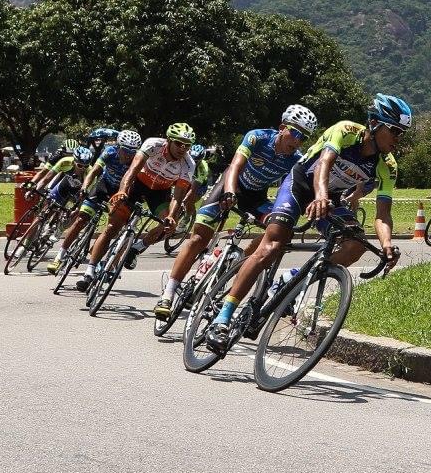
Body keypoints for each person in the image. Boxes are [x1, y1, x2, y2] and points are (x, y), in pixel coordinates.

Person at [202, 94, 410, 352]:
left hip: (330, 197)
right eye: (396, 131)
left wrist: (387, 244)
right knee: (271, 246)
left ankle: (291, 280)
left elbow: (383, 214)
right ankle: (224, 316)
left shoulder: (388, 165)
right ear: (375, 124)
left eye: (403, 133)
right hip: (300, 184)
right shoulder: (345, 131)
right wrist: (320, 195)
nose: (399, 138)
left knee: (355, 245)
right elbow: (324, 164)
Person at [153, 105, 318, 318]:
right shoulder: (257, 138)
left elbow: (294, 187)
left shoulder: (295, 158)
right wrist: (230, 192)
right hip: (229, 185)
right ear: (282, 128)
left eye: (303, 138)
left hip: (255, 198)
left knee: (275, 231)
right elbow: (235, 166)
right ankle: (168, 293)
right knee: (198, 238)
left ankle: (243, 262)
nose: (297, 141)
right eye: (295, 133)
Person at [75, 123, 196, 292]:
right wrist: (123, 190)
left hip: (160, 192)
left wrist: (171, 216)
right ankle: (89, 271)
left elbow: (178, 195)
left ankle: (136, 248)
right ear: (169, 140)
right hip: (138, 184)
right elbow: (131, 171)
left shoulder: (188, 164)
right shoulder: (153, 145)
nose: (182, 148)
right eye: (178, 143)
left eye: (187, 145)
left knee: (166, 224)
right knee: (111, 228)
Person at [46, 131, 142, 274]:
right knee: (80, 219)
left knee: (113, 228)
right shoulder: (109, 152)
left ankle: (102, 259)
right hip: (103, 186)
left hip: (121, 192)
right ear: (118, 146)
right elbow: (94, 171)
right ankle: (60, 256)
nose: (128, 155)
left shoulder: (138, 160)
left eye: (132, 152)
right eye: (125, 150)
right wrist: (84, 187)